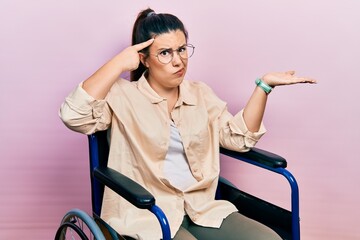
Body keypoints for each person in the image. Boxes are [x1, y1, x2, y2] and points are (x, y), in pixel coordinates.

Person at [59, 7, 316, 240]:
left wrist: (264, 86)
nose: (178, 61)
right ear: (143, 58)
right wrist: (117, 63)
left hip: (200, 206)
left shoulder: (200, 94)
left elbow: (238, 138)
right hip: (148, 211)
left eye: (182, 49)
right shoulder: (122, 95)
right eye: (165, 53)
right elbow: (74, 115)